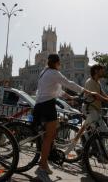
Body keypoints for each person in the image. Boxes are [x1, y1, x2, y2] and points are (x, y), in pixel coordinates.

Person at [33, 54, 99, 182]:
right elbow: (69, 83)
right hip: (47, 106)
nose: (59, 66)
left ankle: (45, 160)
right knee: (49, 137)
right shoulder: (54, 73)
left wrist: (70, 97)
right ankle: (42, 165)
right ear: (57, 63)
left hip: (40, 105)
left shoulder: (44, 72)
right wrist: (86, 91)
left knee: (48, 135)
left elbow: (58, 90)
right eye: (59, 64)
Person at [68, 64, 108, 153]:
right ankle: (91, 151)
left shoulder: (97, 82)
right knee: (101, 131)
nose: (103, 72)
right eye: (102, 70)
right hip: (90, 110)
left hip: (95, 110)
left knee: (100, 132)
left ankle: (87, 151)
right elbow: (97, 97)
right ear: (96, 71)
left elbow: (103, 94)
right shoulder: (90, 82)